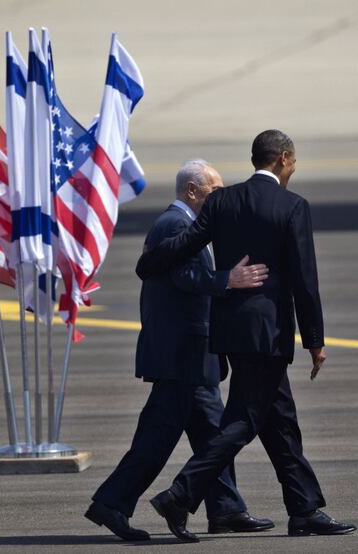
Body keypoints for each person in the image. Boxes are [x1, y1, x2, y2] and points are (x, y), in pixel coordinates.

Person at [136, 131, 357, 542]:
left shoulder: (222, 201)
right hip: (268, 332)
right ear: (284, 159)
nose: (294, 169)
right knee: (243, 420)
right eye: (294, 163)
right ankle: (179, 495)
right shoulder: (292, 207)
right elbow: (305, 281)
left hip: (232, 330)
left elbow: (185, 244)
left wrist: (148, 263)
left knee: (281, 422)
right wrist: (314, 340)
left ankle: (304, 508)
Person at [85, 160, 272, 541]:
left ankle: (227, 509)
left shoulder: (185, 224)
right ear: (192, 191)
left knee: (213, 436)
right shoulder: (175, 224)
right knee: (156, 439)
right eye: (214, 191)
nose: (218, 198)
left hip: (191, 356)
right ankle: (112, 503)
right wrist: (228, 280)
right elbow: (183, 276)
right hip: (181, 355)